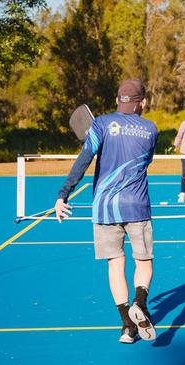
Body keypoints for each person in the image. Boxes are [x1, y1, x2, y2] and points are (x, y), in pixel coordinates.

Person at [54, 79, 158, 344]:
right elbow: (145, 161)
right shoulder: (151, 128)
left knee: (116, 264)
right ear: (142, 102)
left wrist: (63, 193)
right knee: (144, 261)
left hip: (104, 208)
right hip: (137, 205)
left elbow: (84, 159)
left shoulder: (100, 124)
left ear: (117, 100)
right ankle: (140, 303)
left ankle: (127, 327)